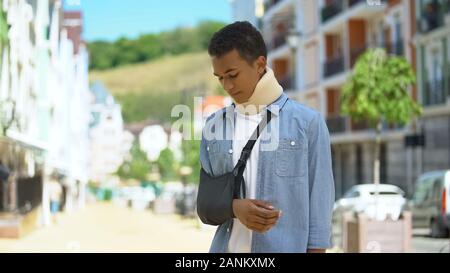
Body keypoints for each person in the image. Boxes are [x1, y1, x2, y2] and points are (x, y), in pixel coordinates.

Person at [199, 21, 335, 253]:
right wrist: (234, 208)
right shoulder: (214, 126)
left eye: (232, 74)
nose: (227, 85)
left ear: (260, 64)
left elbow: (320, 212)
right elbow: (205, 206)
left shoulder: (308, 123)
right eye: (220, 78)